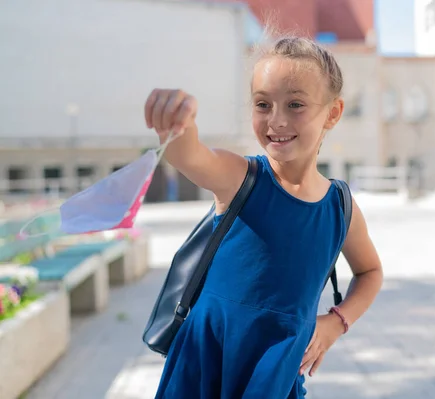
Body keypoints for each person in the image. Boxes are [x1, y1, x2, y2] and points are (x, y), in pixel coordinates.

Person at [145, 34, 383, 399]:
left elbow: (370, 272)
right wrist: (177, 128)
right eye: (262, 104)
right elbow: (190, 156)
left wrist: (337, 323)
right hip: (207, 358)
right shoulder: (241, 177)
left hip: (276, 370)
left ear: (332, 113)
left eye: (295, 104)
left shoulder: (341, 207)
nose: (276, 120)